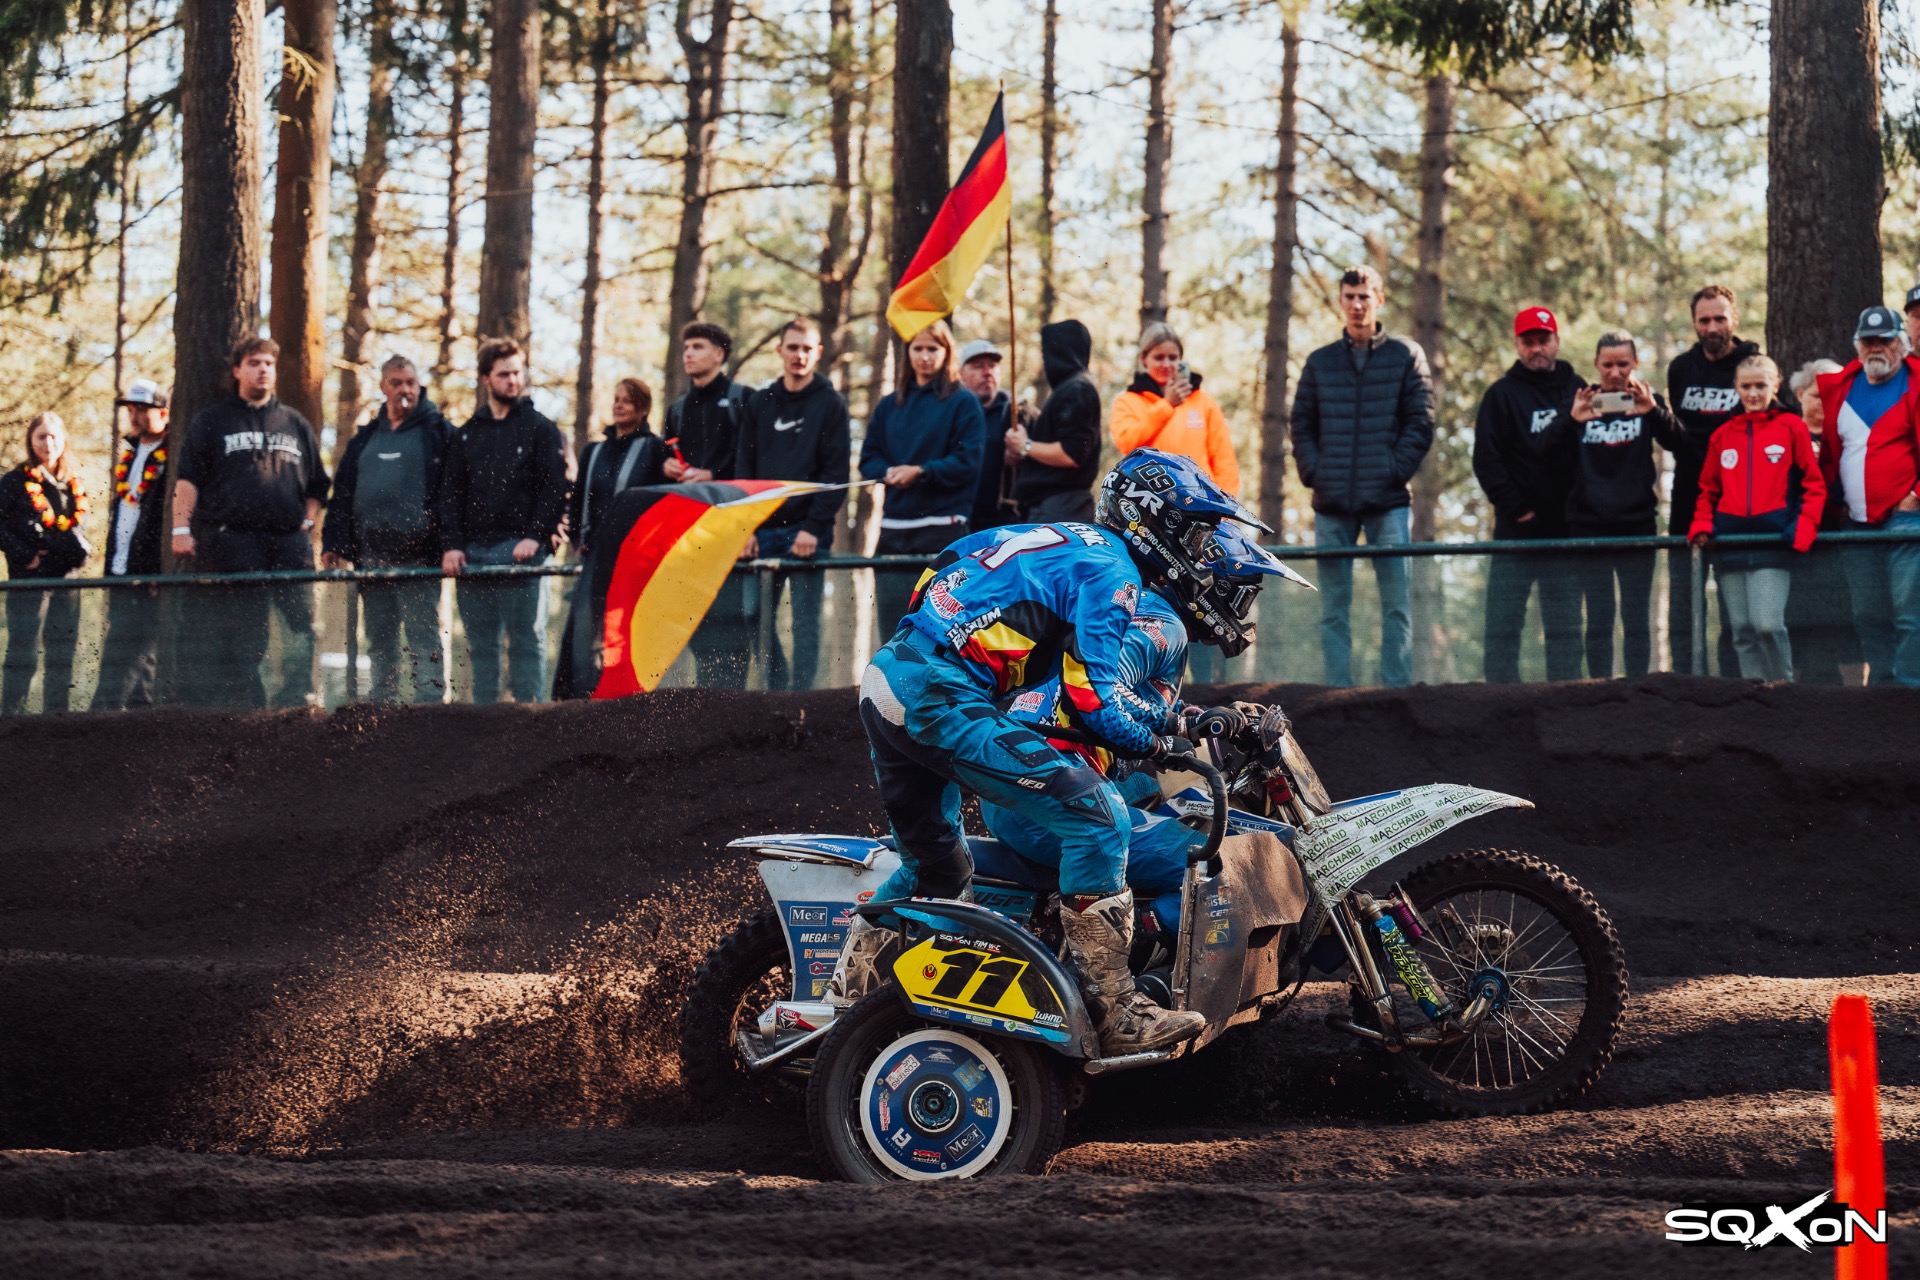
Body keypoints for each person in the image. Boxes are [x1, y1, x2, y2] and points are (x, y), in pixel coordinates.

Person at [834, 449, 1289, 1055]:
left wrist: (1175, 718)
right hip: (941, 693)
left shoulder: (1067, 540)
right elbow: (1092, 699)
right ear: (1157, 522)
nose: (1201, 550)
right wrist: (1162, 744)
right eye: (1196, 534)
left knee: (937, 869)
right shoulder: (1116, 573)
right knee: (1099, 816)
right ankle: (1114, 1010)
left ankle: (845, 1007)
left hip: (891, 675)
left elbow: (943, 568)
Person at [1289, 265, 1435, 688]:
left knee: (1397, 605)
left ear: (1379, 300)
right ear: (1341, 301)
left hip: (1388, 502)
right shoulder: (1320, 362)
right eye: (1350, 297)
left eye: (1364, 297)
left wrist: (1392, 471)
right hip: (1331, 503)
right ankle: (1337, 693)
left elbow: (1421, 421)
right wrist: (1315, 473)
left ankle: (1396, 691)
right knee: (1333, 607)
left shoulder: (1405, 355)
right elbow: (1301, 423)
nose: (1357, 305)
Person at [172, 337, 330, 709]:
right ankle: (248, 709)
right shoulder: (212, 421)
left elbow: (317, 486)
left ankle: (297, 702)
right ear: (237, 370)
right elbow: (188, 480)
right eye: (255, 363)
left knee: (300, 624)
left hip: (289, 544)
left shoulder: (294, 423)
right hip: (233, 542)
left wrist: (306, 525)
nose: (263, 370)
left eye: (269, 364)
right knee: (244, 630)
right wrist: (180, 529)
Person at [1541, 330, 1682, 679]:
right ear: (1596, 364)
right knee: (1599, 615)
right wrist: (1572, 421)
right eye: (1608, 365)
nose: (1615, 372)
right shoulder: (1580, 402)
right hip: (1588, 524)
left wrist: (1653, 413)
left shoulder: (1648, 400)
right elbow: (1544, 454)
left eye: (1623, 364)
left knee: (1636, 616)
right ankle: (1599, 688)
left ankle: (1637, 688)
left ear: (1635, 363)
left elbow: (1680, 443)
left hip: (1637, 522)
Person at [438, 337, 568, 704]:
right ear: (485, 379)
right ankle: (484, 721)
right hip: (474, 554)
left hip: (521, 552)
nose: (513, 380)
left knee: (526, 638)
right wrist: (452, 545)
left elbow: (555, 488)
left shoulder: (541, 428)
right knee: (481, 642)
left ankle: (530, 718)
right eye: (503, 374)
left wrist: (535, 537)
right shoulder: (467, 433)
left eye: (517, 373)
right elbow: (451, 494)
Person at [322, 356, 456, 703]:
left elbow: (454, 492)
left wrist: (449, 543)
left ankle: (429, 708)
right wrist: (334, 542)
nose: (404, 390)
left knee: (423, 637)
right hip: (372, 559)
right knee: (379, 638)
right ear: (384, 387)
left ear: (418, 386)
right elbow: (342, 493)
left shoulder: (438, 432)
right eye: (396, 383)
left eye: (410, 382)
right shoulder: (365, 437)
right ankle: (383, 705)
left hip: (420, 559)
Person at [1687, 354, 1825, 681]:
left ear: (1775, 386)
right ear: (1735, 387)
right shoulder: (1723, 435)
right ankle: (1754, 695)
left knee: (1767, 624)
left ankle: (1782, 690)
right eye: (1746, 386)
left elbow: (1814, 485)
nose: (1753, 393)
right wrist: (1702, 524)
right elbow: (1707, 489)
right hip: (1730, 546)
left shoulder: (1791, 426)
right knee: (1742, 630)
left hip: (1773, 543)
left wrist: (1804, 526)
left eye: (1760, 385)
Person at [734, 317, 852, 690]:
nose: (799, 355)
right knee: (753, 615)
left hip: (807, 534)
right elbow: (744, 471)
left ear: (818, 353)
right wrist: (745, 529)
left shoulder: (831, 404)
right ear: (780, 350)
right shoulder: (760, 402)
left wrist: (813, 528)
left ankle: (801, 702)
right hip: (761, 533)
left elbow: (836, 474)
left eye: (806, 348)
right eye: (793, 347)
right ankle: (777, 694)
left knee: (804, 623)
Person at [1472, 306, 1583, 683]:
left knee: (1566, 629)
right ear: (1518, 345)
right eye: (1529, 341)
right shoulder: (1501, 395)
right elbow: (1486, 460)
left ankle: (1566, 700)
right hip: (1515, 531)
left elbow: (1592, 453)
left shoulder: (1577, 389)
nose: (1537, 348)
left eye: (1543, 340)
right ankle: (1499, 703)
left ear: (1556, 341)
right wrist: (1517, 509)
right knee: (1503, 627)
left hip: (1565, 531)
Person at [1814, 306, 1920, 686]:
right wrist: (1836, 500)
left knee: (1909, 613)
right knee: (1867, 614)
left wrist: (1915, 495)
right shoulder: (1842, 387)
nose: (1877, 348)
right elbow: (1831, 453)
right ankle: (1881, 691)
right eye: (1868, 340)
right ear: (1858, 346)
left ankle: (1909, 692)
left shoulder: (1915, 383)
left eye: (1885, 340)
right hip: (1855, 523)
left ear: (1901, 344)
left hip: (1905, 519)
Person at [858, 319, 985, 632]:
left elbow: (968, 461)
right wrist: (887, 472)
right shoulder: (889, 405)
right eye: (918, 348)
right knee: (892, 629)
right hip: (893, 534)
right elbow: (868, 459)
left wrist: (922, 472)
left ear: (946, 351)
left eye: (933, 348)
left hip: (943, 534)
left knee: (939, 630)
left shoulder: (963, 402)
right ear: (908, 352)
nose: (925, 356)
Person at [1666, 285, 1756, 675]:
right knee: (1683, 600)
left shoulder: (1753, 366)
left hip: (1737, 500)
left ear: (1734, 319)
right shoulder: (1680, 369)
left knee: (1734, 604)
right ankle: (1683, 683)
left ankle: (1732, 686)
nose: (1713, 327)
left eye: (1720, 318)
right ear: (1694, 323)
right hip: (1687, 497)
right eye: (1704, 320)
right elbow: (1680, 437)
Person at [665, 321, 748, 686]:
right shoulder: (677, 409)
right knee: (696, 622)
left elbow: (751, 462)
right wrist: (666, 466)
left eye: (697, 347)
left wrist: (714, 474)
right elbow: (667, 454)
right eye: (686, 348)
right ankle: (707, 700)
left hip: (732, 530)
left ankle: (734, 700)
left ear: (719, 354)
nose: (688, 354)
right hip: (689, 532)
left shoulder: (743, 399)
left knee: (734, 623)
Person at [0, 412, 89, 713]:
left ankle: (57, 718)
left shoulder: (73, 483)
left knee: (62, 651)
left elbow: (78, 528)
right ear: (31, 441)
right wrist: (24, 555)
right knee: (23, 651)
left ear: (63, 440)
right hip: (29, 579)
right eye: (41, 437)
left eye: (54, 436)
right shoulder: (14, 481)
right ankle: (12, 717)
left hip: (66, 580)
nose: (48, 443)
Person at [93, 380, 170, 710]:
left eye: (142, 410)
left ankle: (102, 713)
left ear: (163, 414)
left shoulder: (170, 457)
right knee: (137, 653)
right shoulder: (131, 453)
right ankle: (140, 716)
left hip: (148, 572)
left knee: (126, 647)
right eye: (131, 409)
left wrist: (156, 569)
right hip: (120, 567)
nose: (134, 416)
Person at [1784, 358, 1859, 685]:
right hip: (1793, 542)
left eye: (1833, 394)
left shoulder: (1850, 434)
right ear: (1801, 394)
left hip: (1841, 541)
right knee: (1792, 617)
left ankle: (1859, 696)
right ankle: (1787, 694)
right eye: (1818, 394)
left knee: (1847, 618)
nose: (1825, 402)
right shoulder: (1785, 432)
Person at [1109, 320, 1240, 493]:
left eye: (1172, 358)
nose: (1166, 364)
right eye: (1159, 357)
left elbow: (1224, 460)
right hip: (1148, 497)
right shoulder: (1128, 401)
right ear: (1144, 359)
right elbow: (1128, 443)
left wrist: (1225, 501)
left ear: (1180, 359)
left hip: (1199, 498)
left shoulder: (1203, 401)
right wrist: (1166, 405)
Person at [1006, 319, 1102, 522]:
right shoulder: (1070, 388)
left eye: (1045, 354)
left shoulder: (1077, 389)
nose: (1044, 362)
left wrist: (1025, 446)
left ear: (1059, 352)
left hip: (1061, 508)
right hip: (1054, 505)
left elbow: (1071, 453)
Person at [569, 377, 665, 559]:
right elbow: (577, 500)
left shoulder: (655, 448)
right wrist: (576, 540)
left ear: (644, 408)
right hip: (592, 552)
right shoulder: (592, 451)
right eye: (616, 400)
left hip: (636, 554)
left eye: (627, 401)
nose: (619, 406)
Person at [959, 338, 1021, 532]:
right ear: (960, 373)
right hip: (958, 520)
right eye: (978, 366)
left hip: (1005, 524)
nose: (987, 372)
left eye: (992, 366)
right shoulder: (951, 413)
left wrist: (1023, 454)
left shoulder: (1018, 414)